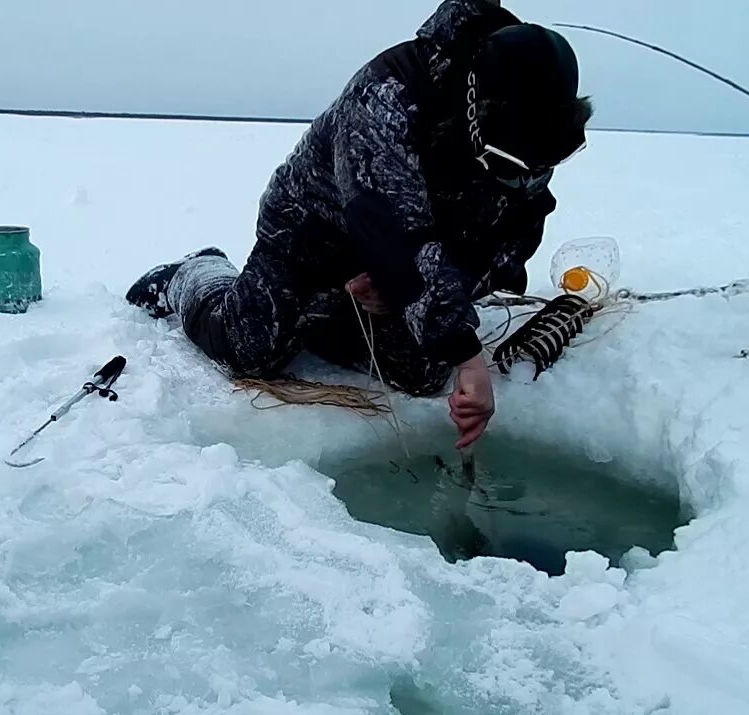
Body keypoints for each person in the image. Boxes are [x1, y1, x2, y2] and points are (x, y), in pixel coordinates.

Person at [125, 0, 592, 449]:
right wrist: (468, 355)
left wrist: (403, 295)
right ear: (476, 111)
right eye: (508, 166)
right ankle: (195, 274)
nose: (523, 182)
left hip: (401, 253)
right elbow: (393, 228)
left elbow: (503, 247)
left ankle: (331, 314)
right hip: (310, 233)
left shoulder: (524, 129)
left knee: (424, 372)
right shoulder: (387, 96)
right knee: (250, 347)